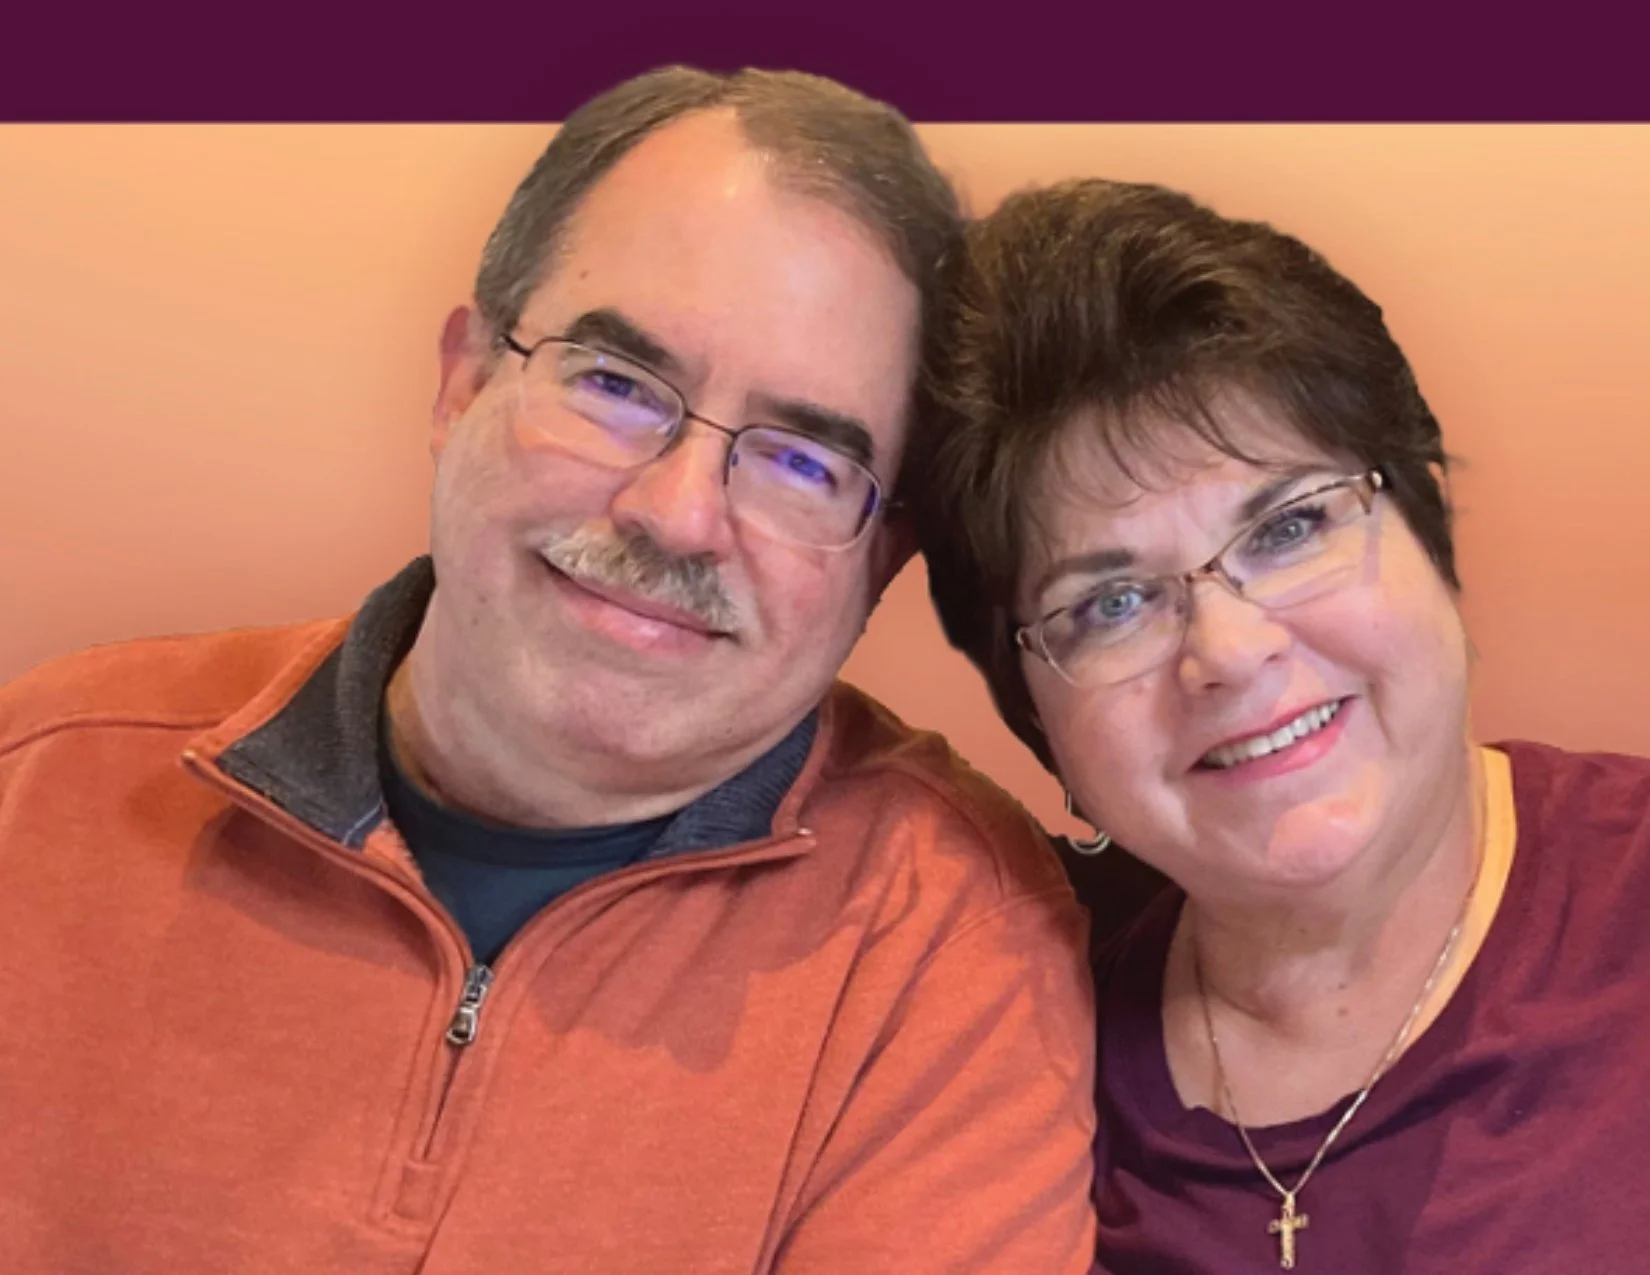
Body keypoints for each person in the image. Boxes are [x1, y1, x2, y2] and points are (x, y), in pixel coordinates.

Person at [0, 70, 1099, 1273]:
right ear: (463, 379)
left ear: (883, 556)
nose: (679, 515)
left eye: (801, 463)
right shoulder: (43, 784)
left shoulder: (947, 944)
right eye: (618, 386)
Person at [917, 176, 1650, 1272]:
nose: (1230, 651)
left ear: (1426, 532)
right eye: (1110, 603)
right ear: (1038, 721)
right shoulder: (1016, 1068)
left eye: (1291, 524)